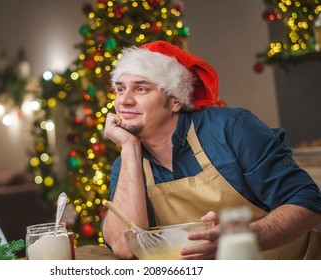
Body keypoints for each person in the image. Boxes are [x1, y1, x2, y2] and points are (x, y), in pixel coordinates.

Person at [101, 40, 321, 260]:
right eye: (120, 89)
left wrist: (239, 237)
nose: (124, 100)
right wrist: (129, 148)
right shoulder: (127, 165)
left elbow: (308, 204)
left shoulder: (231, 128)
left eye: (141, 89)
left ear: (175, 100)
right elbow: (125, 247)